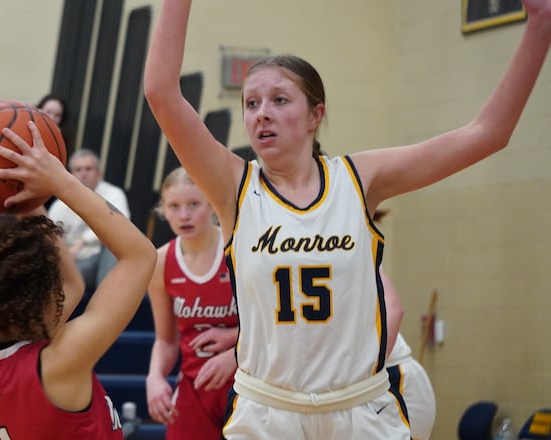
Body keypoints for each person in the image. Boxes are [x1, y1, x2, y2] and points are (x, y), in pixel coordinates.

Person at [143, 0, 551, 438]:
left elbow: (487, 134)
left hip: (360, 408)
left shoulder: (360, 178)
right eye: (251, 102)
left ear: (315, 116)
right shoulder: (233, 187)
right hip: (268, 411)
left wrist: (540, 26)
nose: (261, 112)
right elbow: (162, 93)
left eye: (280, 100)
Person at [0, 122, 157, 439]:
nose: (59, 288)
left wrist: (25, 197)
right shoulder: (59, 362)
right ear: (37, 298)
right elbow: (141, 256)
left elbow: (73, 286)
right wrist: (62, 183)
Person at [146, 167, 238, 439]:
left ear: (210, 203)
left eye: (193, 204)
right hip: (195, 388)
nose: (183, 215)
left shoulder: (238, 245)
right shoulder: (161, 261)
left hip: (247, 383)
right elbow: (166, 341)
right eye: (174, 206)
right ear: (163, 209)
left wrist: (234, 344)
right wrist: (154, 377)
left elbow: (274, 324)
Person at [47, 148, 131, 292]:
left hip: (102, 260)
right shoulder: (59, 206)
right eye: (78, 169)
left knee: (114, 246)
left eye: (88, 169)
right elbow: (49, 238)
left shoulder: (113, 194)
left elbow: (121, 225)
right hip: (73, 264)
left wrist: (83, 241)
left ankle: (108, 305)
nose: (83, 174)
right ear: (71, 174)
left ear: (99, 174)